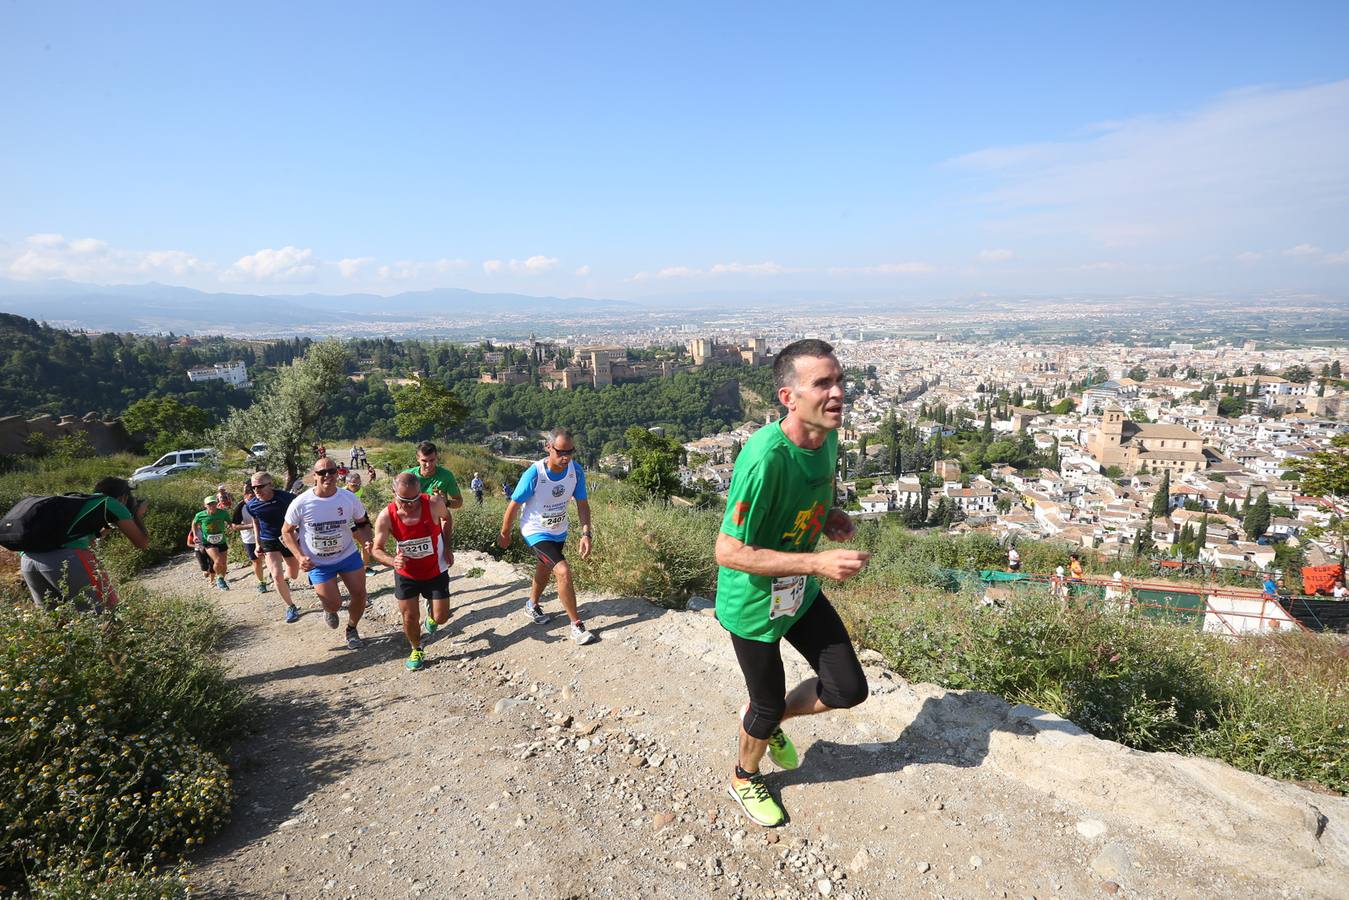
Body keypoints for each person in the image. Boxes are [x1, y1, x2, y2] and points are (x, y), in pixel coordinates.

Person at [714, 339, 870, 828]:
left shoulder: (828, 438)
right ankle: (743, 775)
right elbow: (728, 551)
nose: (837, 392)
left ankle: (769, 718)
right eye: (822, 383)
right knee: (764, 704)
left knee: (847, 688)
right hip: (754, 604)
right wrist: (817, 563)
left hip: (798, 593)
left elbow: (809, 501)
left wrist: (831, 518)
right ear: (789, 398)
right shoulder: (765, 459)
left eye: (839, 380)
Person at [497, 427, 596, 645]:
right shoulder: (535, 473)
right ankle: (576, 625)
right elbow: (514, 505)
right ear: (548, 447)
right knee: (562, 570)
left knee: (544, 566)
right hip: (535, 530)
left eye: (570, 452)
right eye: (561, 452)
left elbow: (582, 504)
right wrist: (505, 533)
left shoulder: (575, 471)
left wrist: (586, 533)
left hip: (558, 530)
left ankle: (531, 605)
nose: (566, 457)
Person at [19, 476, 149, 612]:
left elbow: (86, 541)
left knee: (56, 621)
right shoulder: (110, 503)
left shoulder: (80, 502)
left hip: (28, 560)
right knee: (106, 612)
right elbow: (142, 543)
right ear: (123, 497)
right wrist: (137, 515)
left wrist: (106, 528)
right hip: (66, 559)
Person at [282, 457, 373, 650]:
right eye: (322, 473)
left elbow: (363, 523)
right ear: (314, 476)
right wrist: (299, 556)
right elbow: (286, 531)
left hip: (347, 555)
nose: (327, 476)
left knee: (359, 593)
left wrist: (367, 541)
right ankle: (329, 609)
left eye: (331, 471)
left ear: (337, 474)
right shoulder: (302, 502)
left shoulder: (349, 498)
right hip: (318, 562)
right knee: (334, 603)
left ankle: (352, 629)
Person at [372, 472, 453, 670]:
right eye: (405, 500)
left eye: (415, 498)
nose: (411, 504)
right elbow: (376, 549)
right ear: (393, 493)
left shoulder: (433, 504)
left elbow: (447, 518)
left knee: (441, 618)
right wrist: (393, 561)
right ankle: (416, 648)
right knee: (409, 616)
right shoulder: (386, 516)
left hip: (435, 569)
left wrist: (447, 546)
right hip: (406, 573)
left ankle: (432, 614)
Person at [247, 471, 303, 622]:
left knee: (293, 573)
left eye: (260, 486)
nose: (256, 490)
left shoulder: (286, 498)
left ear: (270, 485)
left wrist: (300, 532)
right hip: (268, 540)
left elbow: (301, 514)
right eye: (253, 488)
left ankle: (284, 580)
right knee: (277, 575)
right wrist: (257, 543)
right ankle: (291, 606)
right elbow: (256, 523)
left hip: (288, 538)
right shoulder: (252, 505)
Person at [404, 440, 464, 570]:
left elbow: (459, 502)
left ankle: (445, 552)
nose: (428, 465)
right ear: (417, 459)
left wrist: (446, 502)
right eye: (424, 461)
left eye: (432, 460)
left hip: (436, 525)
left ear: (437, 458)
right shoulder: (408, 476)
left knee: (438, 569)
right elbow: (396, 503)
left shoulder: (446, 476)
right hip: (413, 526)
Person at [231, 482, 268, 593]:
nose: (251, 495)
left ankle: (276, 576)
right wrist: (251, 525)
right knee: (256, 561)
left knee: (270, 558)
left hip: (266, 536)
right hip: (249, 539)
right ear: (245, 495)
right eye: (248, 493)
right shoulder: (241, 507)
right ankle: (261, 582)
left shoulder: (264, 502)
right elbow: (234, 526)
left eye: (252, 492)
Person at [192, 495, 232, 590]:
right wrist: (195, 535)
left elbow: (230, 522)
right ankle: (218, 579)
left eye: (213, 503)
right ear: (205, 505)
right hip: (209, 542)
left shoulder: (223, 513)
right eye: (209, 504)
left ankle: (221, 579)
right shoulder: (200, 515)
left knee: (224, 563)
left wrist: (231, 527)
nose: (212, 505)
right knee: (218, 560)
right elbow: (194, 523)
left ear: (217, 503)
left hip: (221, 540)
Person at [345, 471, 377, 575]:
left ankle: (365, 567)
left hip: (359, 516)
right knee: (361, 542)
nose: (357, 487)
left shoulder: (360, 490)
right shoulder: (342, 493)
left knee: (367, 542)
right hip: (348, 520)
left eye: (359, 484)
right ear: (347, 483)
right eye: (354, 485)